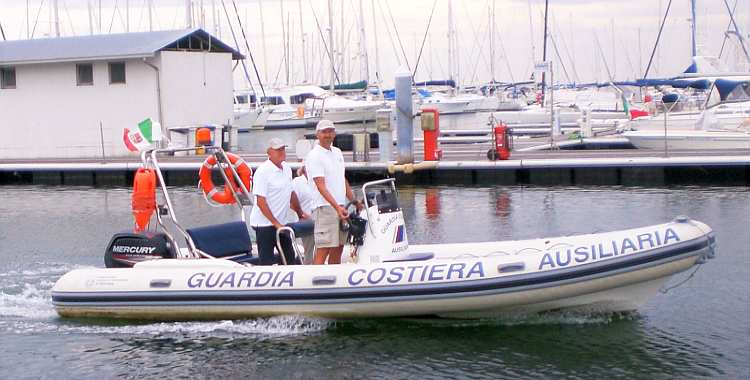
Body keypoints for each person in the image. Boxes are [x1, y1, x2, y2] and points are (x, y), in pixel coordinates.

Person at [305, 119, 359, 265]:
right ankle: (315, 280)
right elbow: (321, 186)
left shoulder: (337, 152)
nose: (328, 135)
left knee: (339, 247)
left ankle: (335, 279)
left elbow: (342, 179)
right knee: (324, 248)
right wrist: (337, 207)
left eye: (330, 131)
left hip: (341, 207)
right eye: (324, 132)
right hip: (324, 207)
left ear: (334, 134)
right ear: (318, 134)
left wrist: (355, 201)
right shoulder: (314, 155)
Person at [249, 138, 308, 265]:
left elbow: (291, 193)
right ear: (269, 152)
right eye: (278, 150)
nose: (281, 152)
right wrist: (276, 224)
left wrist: (300, 213)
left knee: (289, 257)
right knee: (267, 261)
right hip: (264, 224)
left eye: (283, 149)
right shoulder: (262, 172)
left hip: (281, 223)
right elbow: (261, 202)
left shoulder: (286, 168)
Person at [290, 165, 317, 264]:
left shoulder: (317, 180)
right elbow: (290, 201)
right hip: (305, 220)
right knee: (308, 249)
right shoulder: (297, 182)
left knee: (321, 247)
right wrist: (301, 214)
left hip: (319, 218)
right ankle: (307, 267)